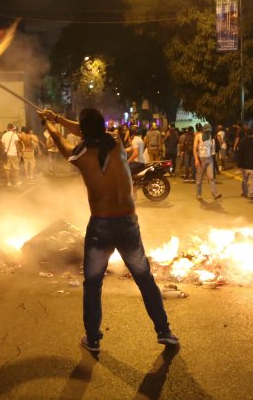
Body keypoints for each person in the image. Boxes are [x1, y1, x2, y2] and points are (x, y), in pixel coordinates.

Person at [39, 107, 179, 352]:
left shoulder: (78, 155)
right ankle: (164, 331)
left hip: (101, 226)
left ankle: (93, 339)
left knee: (93, 284)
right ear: (102, 126)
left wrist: (48, 122)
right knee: (145, 279)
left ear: (83, 131)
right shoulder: (114, 142)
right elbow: (83, 129)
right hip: (127, 223)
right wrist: (57, 118)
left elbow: (58, 137)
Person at [193, 123, 221, 201]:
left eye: (209, 131)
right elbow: (194, 149)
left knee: (211, 177)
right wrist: (196, 159)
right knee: (199, 178)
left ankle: (215, 194)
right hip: (201, 159)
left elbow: (212, 150)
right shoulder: (198, 136)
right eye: (207, 131)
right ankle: (198, 194)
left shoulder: (210, 137)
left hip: (209, 159)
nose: (208, 132)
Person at [236, 126, 253, 200]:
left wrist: (239, 164)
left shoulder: (242, 142)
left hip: (245, 165)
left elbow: (240, 154)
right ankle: (251, 194)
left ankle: (245, 192)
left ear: (245, 133)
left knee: (244, 180)